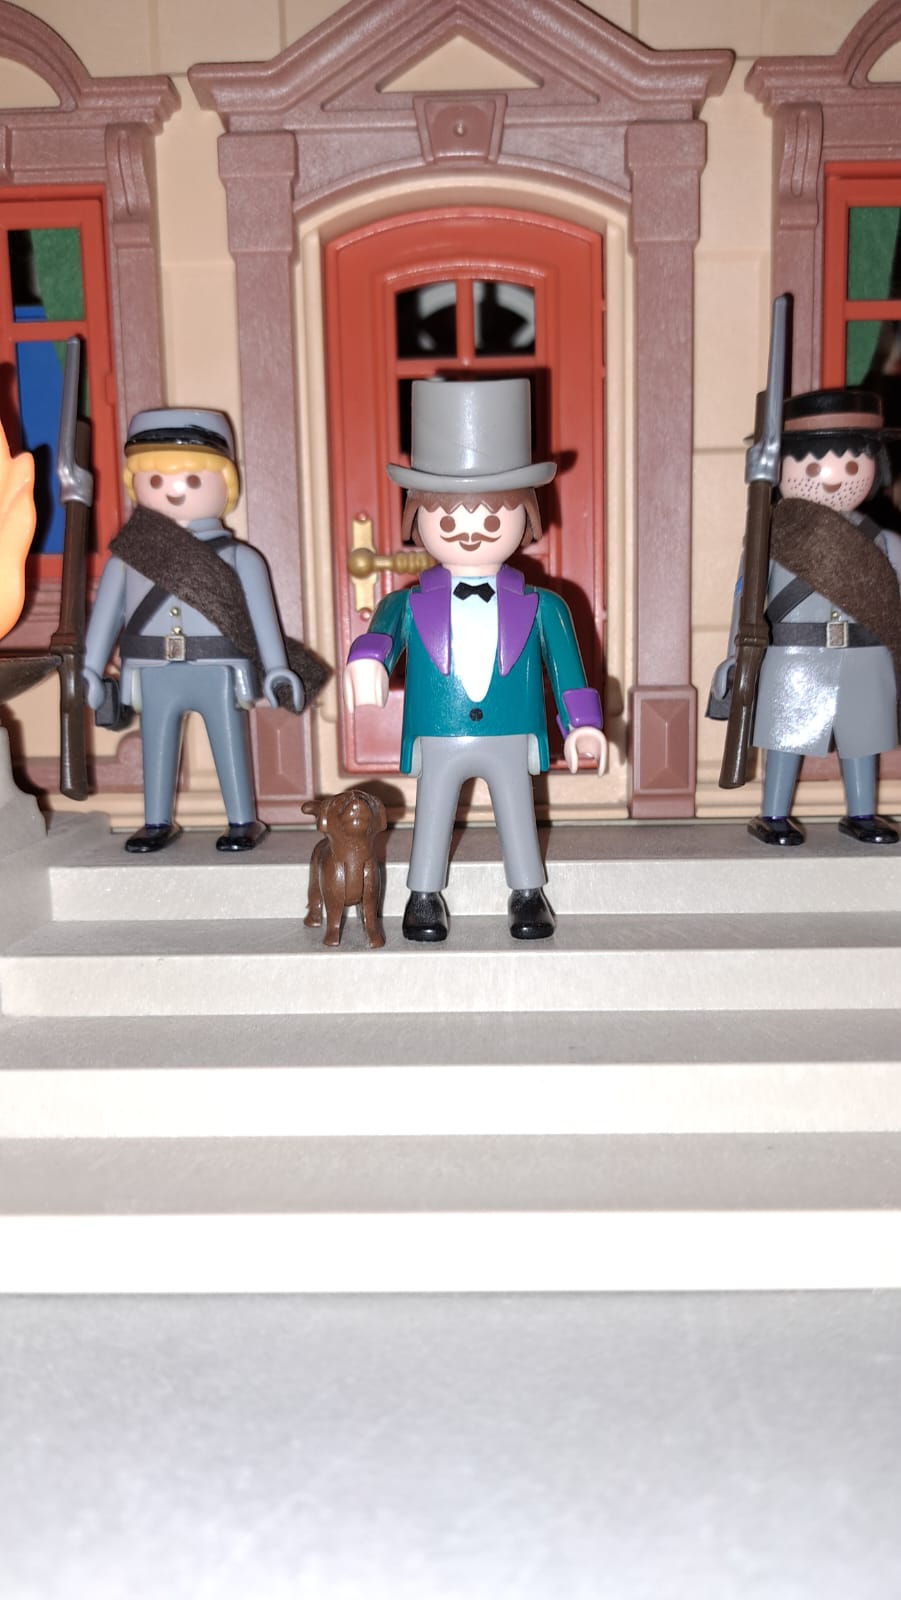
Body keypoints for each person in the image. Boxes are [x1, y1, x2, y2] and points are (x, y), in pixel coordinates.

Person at [344, 377, 607, 941]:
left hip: (511, 730)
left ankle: (528, 893)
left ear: (525, 519)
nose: (469, 534)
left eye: (491, 520)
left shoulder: (544, 605)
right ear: (418, 522)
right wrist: (366, 661)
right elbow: (380, 635)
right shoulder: (407, 602)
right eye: (448, 521)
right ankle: (423, 896)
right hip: (440, 729)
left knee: (517, 811)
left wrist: (582, 725)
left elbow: (569, 672)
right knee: (433, 811)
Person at [83, 408, 311, 853]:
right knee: (156, 744)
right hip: (152, 667)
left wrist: (277, 668)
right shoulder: (127, 558)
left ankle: (242, 819)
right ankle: (155, 820)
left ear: (226, 484)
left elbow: (263, 619)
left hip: (217, 666)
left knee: (228, 742)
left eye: (192, 479)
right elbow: (105, 617)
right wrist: (90, 670)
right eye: (155, 480)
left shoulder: (240, 558)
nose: (173, 490)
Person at [710, 387, 901, 845]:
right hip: (794, 656)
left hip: (865, 652)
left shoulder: (885, 541)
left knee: (863, 739)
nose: (834, 478)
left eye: (852, 465)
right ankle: (773, 813)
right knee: (786, 738)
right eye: (812, 467)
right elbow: (746, 600)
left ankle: (862, 812)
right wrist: (737, 655)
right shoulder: (770, 538)